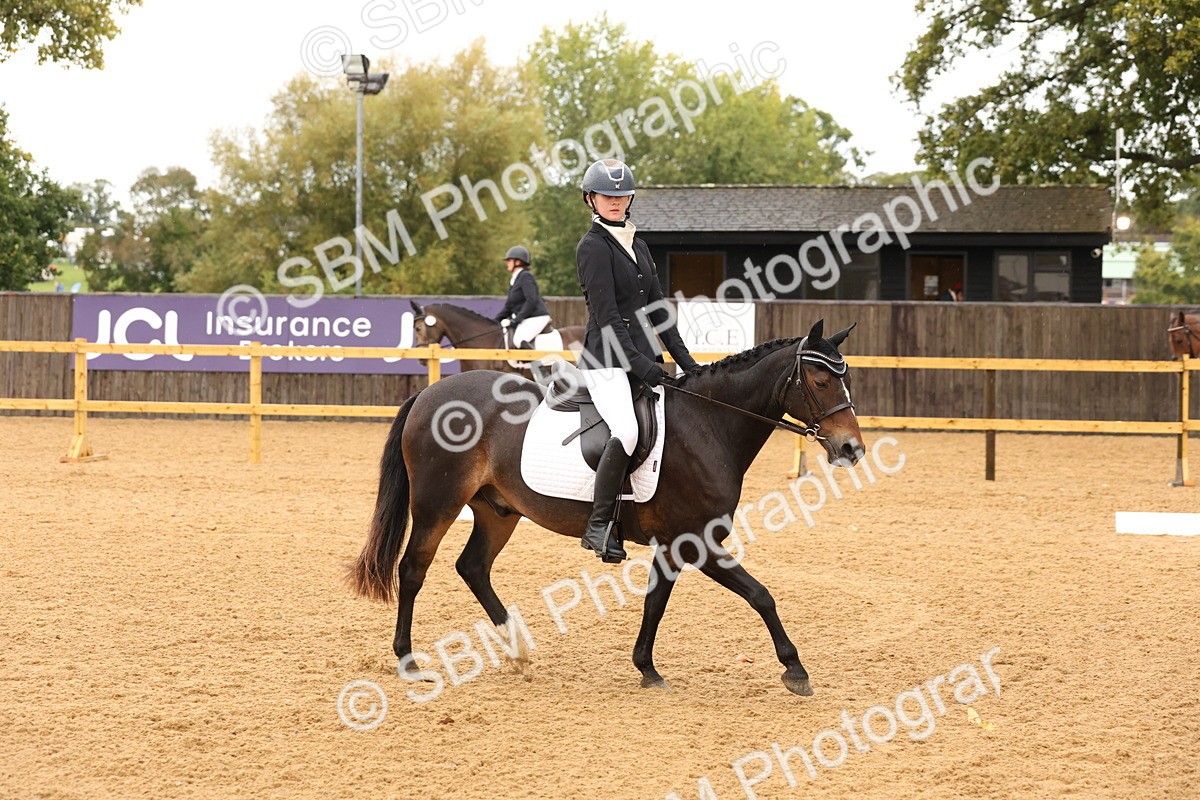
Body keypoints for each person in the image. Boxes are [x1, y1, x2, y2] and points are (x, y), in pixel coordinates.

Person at [575, 158, 699, 563]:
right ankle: (598, 526)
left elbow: (659, 311)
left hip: (641, 356)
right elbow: (608, 319)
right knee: (627, 430)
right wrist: (645, 368)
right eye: (607, 195)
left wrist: (690, 366)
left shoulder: (638, 245)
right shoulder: (592, 248)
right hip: (606, 361)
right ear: (591, 199)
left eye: (621, 194)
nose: (615, 200)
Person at [493, 245, 551, 349]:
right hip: (527, 318)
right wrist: (494, 321)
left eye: (509, 260)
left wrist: (517, 319)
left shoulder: (525, 276)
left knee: (519, 340)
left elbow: (531, 300)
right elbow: (509, 306)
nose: (507, 263)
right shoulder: (515, 280)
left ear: (518, 262)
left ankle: (538, 365)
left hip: (536, 317)